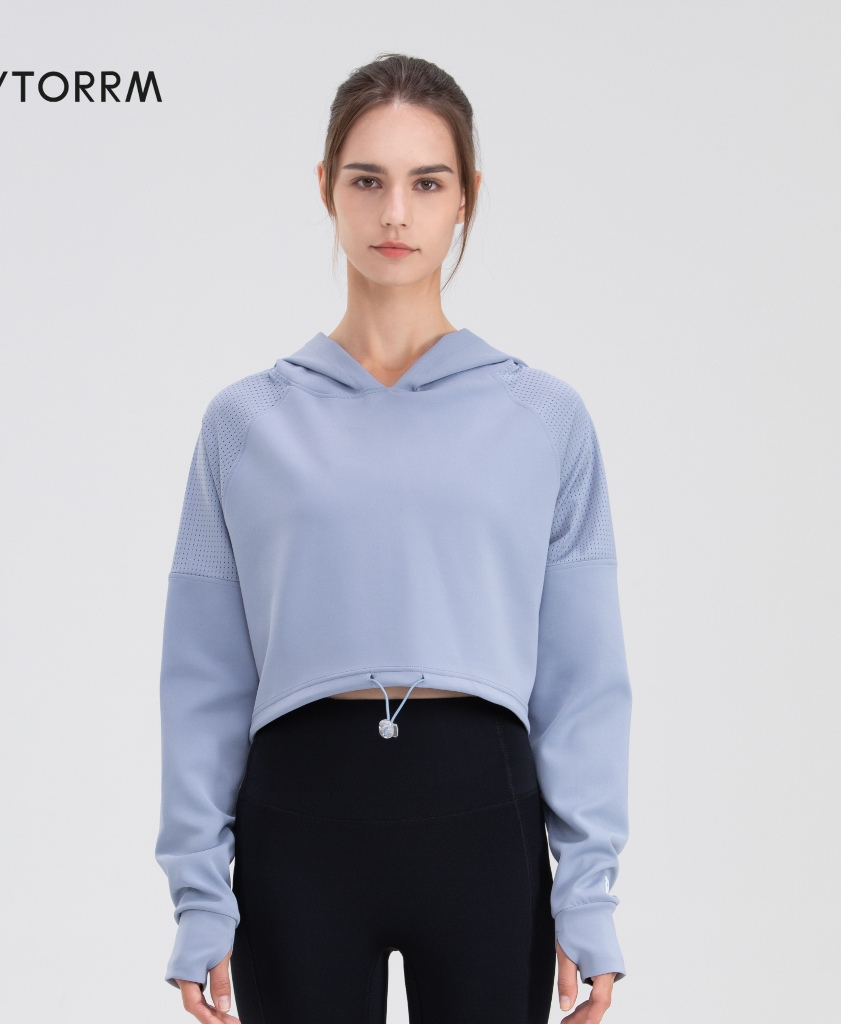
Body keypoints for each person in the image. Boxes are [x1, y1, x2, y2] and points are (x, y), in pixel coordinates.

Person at [155, 52, 633, 1024]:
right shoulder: (246, 423)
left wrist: (587, 891)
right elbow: (203, 675)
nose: (396, 214)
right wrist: (200, 892)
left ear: (467, 198)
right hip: (299, 824)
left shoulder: (543, 418)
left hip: (483, 819)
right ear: (326, 188)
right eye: (368, 180)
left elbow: (583, 676)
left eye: (427, 182)